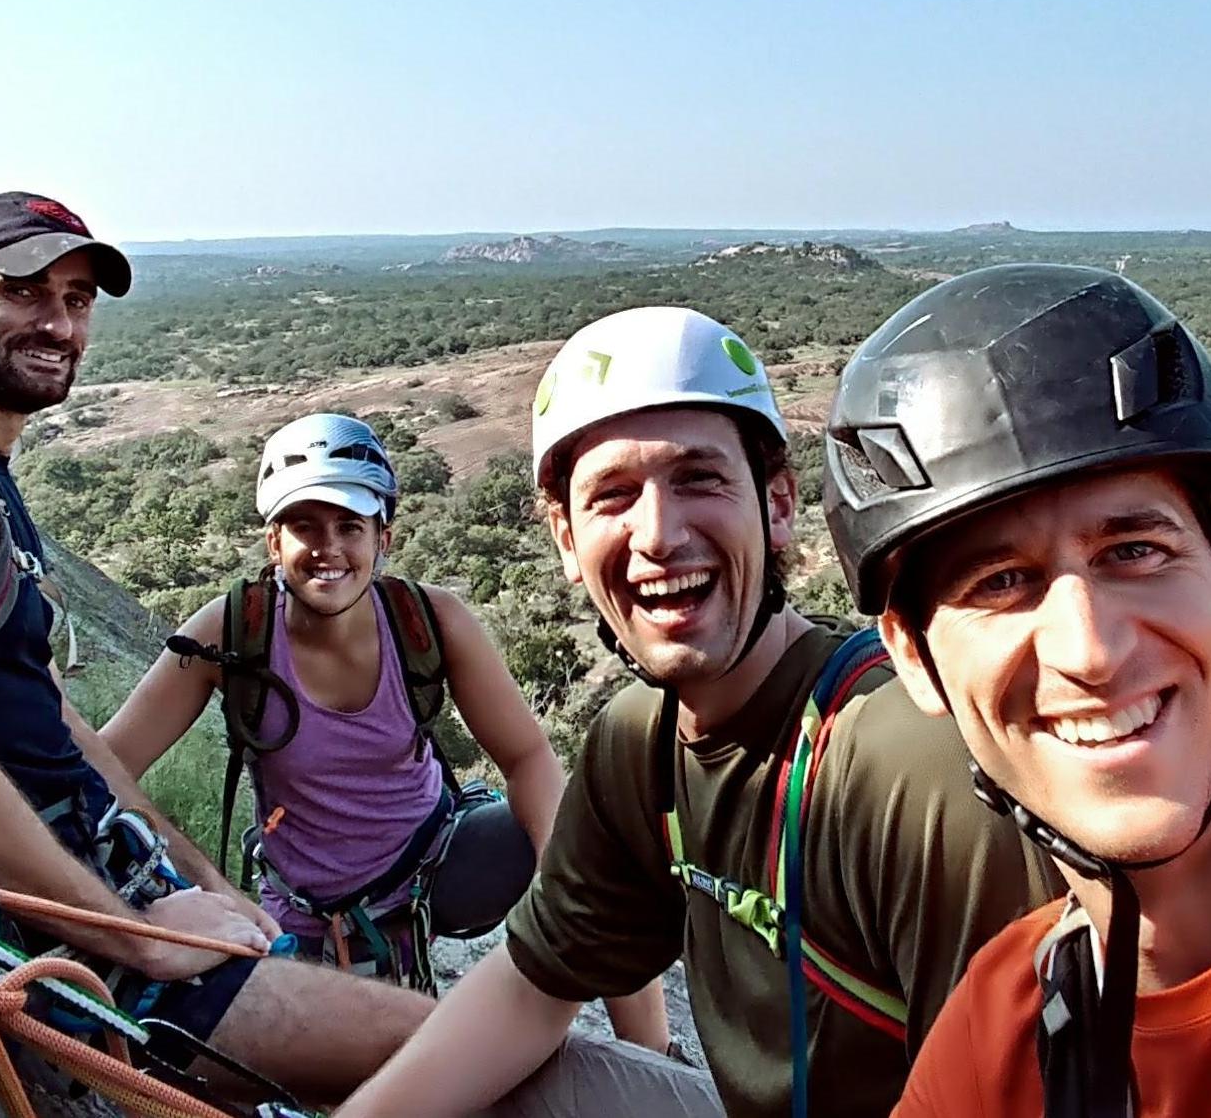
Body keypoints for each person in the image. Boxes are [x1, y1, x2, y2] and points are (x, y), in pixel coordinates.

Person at [0, 193, 712, 1115]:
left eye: (75, 297)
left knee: (530, 998)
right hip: (102, 943)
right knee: (500, 1068)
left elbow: (80, 754)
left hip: (182, 902)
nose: (59, 321)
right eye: (23, 291)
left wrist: (207, 890)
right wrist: (142, 936)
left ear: (386, 535)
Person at [335, 305, 1061, 1118]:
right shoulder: (640, 743)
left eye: (698, 479)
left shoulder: (904, 763)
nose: (658, 534)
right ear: (567, 540)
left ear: (779, 505)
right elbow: (530, 992)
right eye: (612, 496)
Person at [821, 263, 1211, 1117]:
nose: (1092, 651)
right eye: (1001, 582)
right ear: (913, 659)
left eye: (1135, 551)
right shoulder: (1004, 1027)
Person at [103, 410, 668, 1046]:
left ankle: (652, 1060)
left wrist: (562, 878)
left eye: (350, 525)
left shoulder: (429, 623)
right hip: (306, 907)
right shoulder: (229, 635)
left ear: (384, 537)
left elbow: (529, 757)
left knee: (602, 841)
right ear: (273, 542)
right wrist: (204, 886)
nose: (329, 548)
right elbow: (105, 765)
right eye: (303, 526)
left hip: (436, 863)